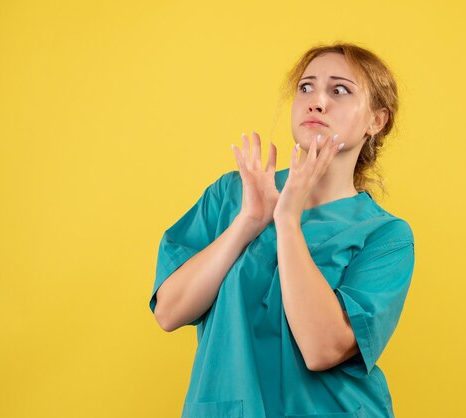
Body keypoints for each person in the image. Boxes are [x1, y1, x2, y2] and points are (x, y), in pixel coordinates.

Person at [149, 41, 415, 418]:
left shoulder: (385, 237)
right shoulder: (233, 194)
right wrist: (248, 222)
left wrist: (287, 221)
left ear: (377, 120)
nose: (316, 101)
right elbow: (169, 311)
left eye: (339, 90)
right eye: (306, 87)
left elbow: (322, 349)